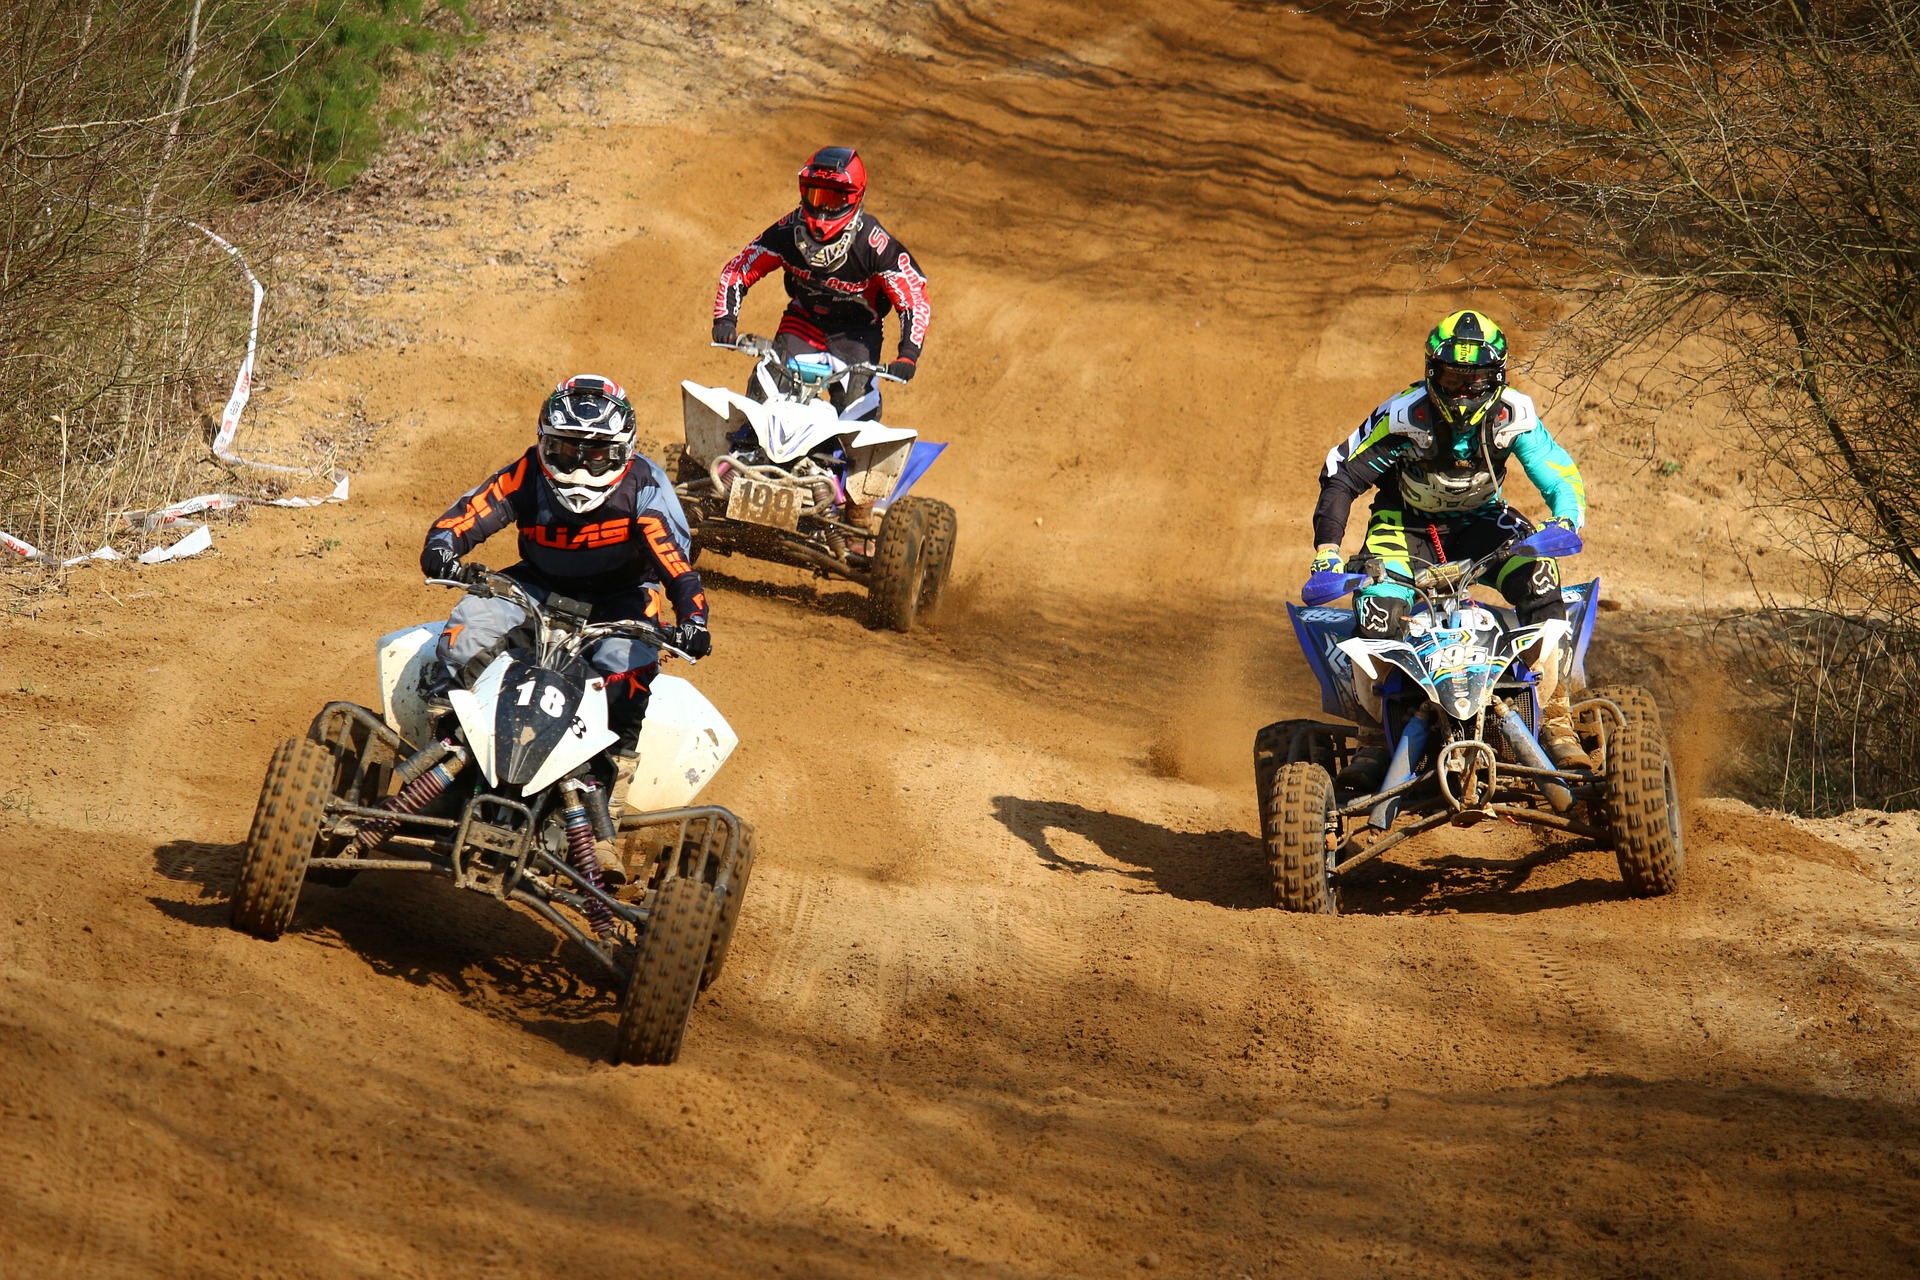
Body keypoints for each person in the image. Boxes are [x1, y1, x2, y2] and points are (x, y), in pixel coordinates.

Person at [420, 374, 711, 881]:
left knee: (629, 672)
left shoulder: (643, 487)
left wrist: (694, 619)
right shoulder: (529, 473)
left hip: (619, 601)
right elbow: (468, 515)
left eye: (596, 454)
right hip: (534, 583)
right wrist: (444, 548)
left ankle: (604, 822)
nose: (579, 465)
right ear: (543, 441)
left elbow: (678, 568)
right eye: (565, 449)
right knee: (467, 629)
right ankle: (439, 758)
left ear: (623, 451)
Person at [1311, 309, 1591, 790]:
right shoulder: (1404, 416)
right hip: (1406, 522)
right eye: (1451, 377)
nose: (1462, 390)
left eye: (1475, 378)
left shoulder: (1513, 415)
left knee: (1542, 578)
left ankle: (1558, 719)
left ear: (1496, 378)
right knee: (1376, 605)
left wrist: (1565, 520)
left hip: (1483, 520)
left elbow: (1557, 472)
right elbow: (1343, 478)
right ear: (1431, 373)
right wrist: (1327, 551)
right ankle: (1374, 737)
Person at [710, 146, 931, 420]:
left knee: (859, 413)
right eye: (816, 195)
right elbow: (739, 268)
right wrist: (726, 321)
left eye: (835, 199)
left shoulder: (874, 244)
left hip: (857, 334)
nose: (823, 209)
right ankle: (741, 456)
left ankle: (855, 464)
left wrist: (908, 355)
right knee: (764, 396)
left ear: (854, 197)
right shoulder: (789, 230)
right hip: (804, 321)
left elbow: (914, 299)